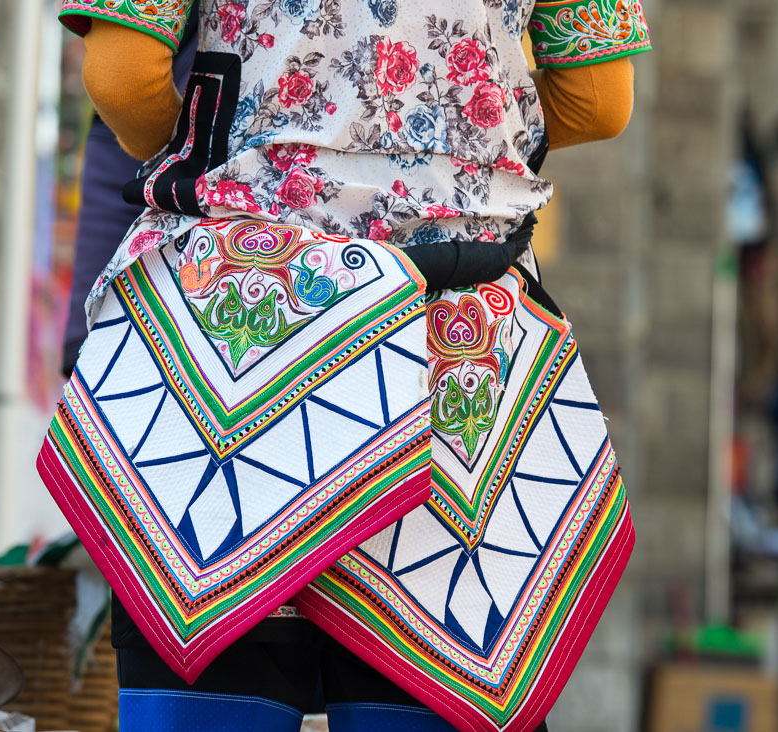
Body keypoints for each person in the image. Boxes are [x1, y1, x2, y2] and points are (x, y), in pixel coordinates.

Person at [43, 1, 651, 730]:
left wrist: (248, 150)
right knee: (430, 681)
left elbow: (120, 78)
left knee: (209, 691)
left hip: (240, 320)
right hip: (453, 332)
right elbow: (600, 100)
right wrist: (455, 137)